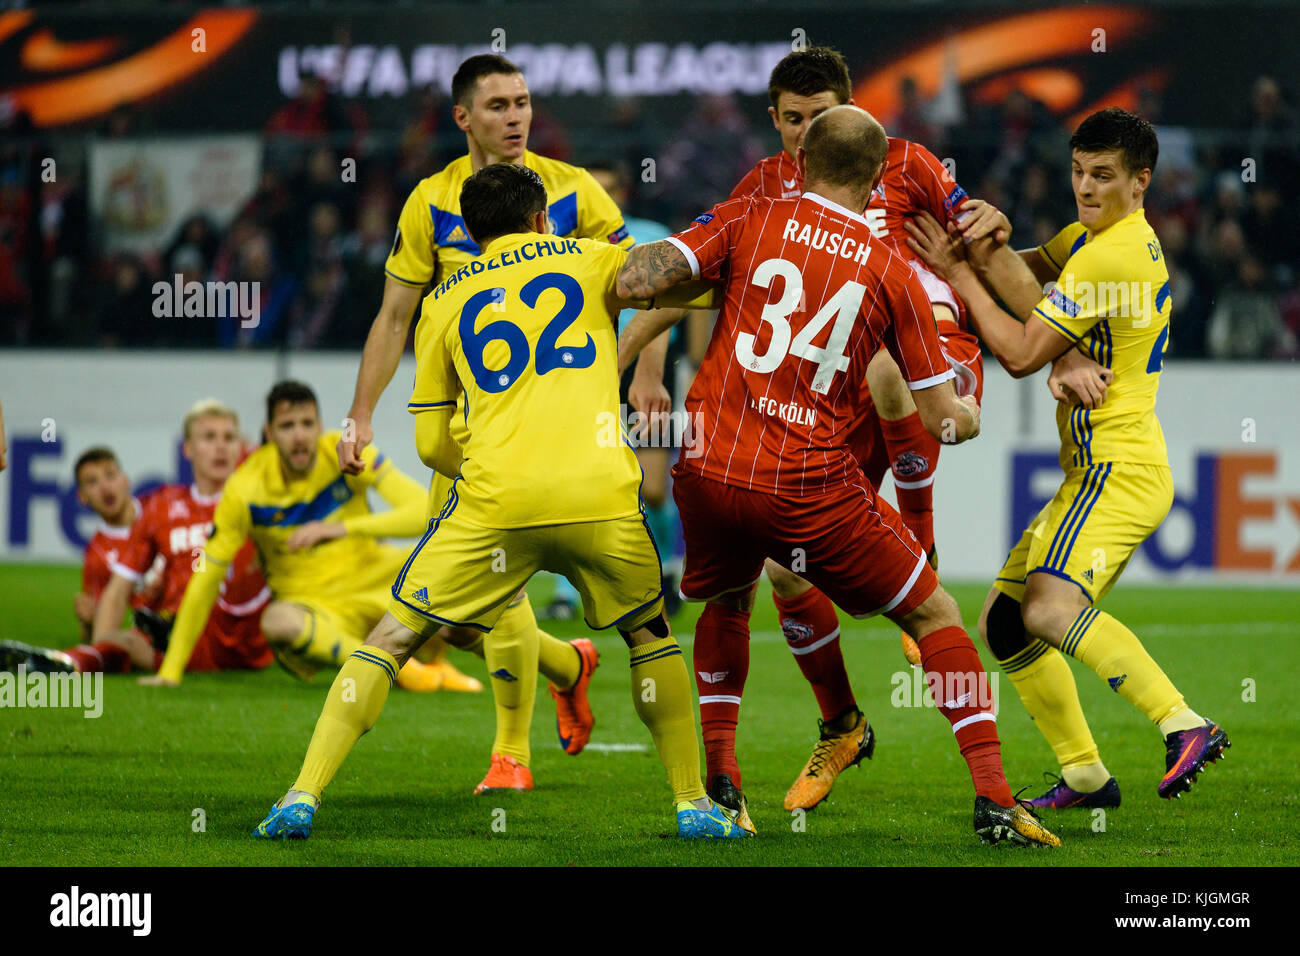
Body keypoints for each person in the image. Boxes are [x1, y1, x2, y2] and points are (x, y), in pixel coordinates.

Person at [253, 163, 744, 840]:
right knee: (650, 637)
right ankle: (693, 805)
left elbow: (430, 443)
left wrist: (491, 467)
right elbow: (692, 283)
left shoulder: (444, 302)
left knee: (391, 640)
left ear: (470, 234)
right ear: (544, 217)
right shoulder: (595, 259)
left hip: (494, 505)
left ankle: (299, 798)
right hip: (596, 497)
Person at [615, 105, 1059, 847]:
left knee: (729, 604)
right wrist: (966, 413)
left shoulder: (747, 215)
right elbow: (940, 413)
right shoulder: (891, 271)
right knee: (936, 616)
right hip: (801, 485)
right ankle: (994, 801)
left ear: (802, 161)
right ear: (880, 175)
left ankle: (722, 791)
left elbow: (642, 277)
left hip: (707, 464)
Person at [723, 46, 1109, 812]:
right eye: (794, 121)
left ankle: (921, 535)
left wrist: (1056, 345)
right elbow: (717, 276)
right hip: (828, 399)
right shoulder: (762, 190)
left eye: (824, 118)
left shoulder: (908, 165)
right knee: (784, 571)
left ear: (854, 113)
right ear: (774, 121)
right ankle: (842, 725)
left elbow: (986, 248)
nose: (808, 135)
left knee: (886, 362)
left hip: (934, 362)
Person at [334, 53, 658, 791]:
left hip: (558, 418)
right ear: (463, 118)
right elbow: (394, 317)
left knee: (489, 591)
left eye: (523, 103)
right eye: (500, 106)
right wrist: (359, 414)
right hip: (462, 424)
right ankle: (566, 665)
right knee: (469, 611)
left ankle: (513, 753)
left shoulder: (572, 190)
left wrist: (640, 369)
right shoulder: (430, 200)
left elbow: (642, 281)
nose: (517, 118)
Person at [904, 106, 1229, 807]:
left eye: (1104, 176)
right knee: (1003, 620)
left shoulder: (1111, 254)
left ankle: (1184, 721)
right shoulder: (1094, 235)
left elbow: (1021, 351)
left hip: (1118, 467)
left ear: (1141, 182)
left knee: (1048, 609)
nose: (1085, 187)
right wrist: (988, 242)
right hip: (1102, 468)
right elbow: (1023, 277)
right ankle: (1084, 773)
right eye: (1079, 171)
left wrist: (958, 276)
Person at [141, 381, 467, 693]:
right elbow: (207, 575)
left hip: (376, 581)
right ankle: (388, 668)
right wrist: (171, 670)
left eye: (307, 424)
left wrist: (340, 529)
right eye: (287, 426)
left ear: (320, 426)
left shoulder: (345, 453)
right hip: (315, 609)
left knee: (459, 570)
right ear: (269, 434)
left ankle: (454, 668)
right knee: (277, 621)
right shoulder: (246, 488)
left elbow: (425, 512)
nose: (299, 436)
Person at [85, 400, 273, 675]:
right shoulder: (162, 507)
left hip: (241, 646)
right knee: (120, 642)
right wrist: (99, 649)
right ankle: (76, 662)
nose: (220, 446)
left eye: (229, 437)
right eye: (209, 437)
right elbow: (119, 588)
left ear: (240, 447)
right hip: (173, 638)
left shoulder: (262, 504)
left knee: (127, 643)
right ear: (188, 449)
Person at [0, 447, 162, 673]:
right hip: (153, 635)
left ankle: (62, 662)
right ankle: (56, 663)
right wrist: (87, 622)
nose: (105, 486)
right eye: (92, 482)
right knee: (115, 643)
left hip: (195, 614)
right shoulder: (97, 554)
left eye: (110, 475)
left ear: (126, 481)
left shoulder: (161, 511)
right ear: (82, 497)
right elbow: (100, 633)